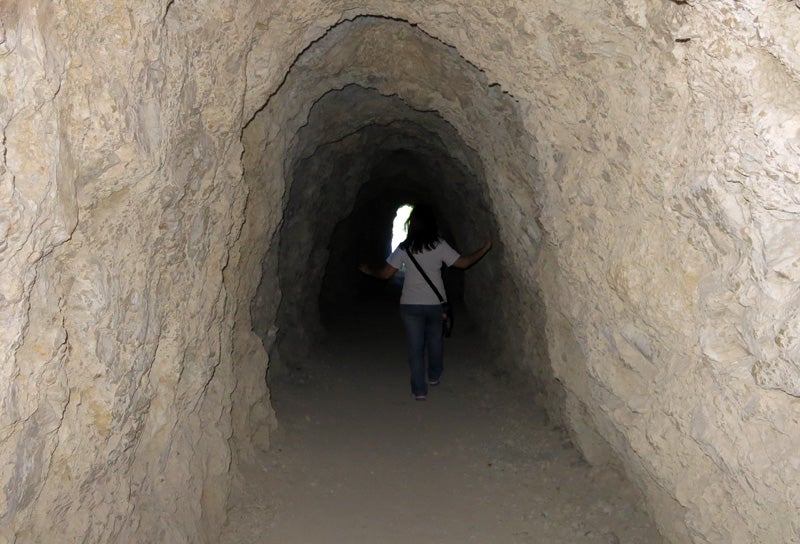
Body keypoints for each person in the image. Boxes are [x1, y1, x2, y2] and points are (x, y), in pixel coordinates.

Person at [359, 204, 492, 401]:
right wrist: (485, 248)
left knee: (415, 346)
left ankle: (419, 389)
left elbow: (386, 273)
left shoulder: (404, 247)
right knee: (435, 341)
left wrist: (370, 270)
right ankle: (434, 375)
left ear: (411, 225)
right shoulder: (439, 245)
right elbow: (463, 263)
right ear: (432, 225)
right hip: (435, 304)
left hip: (410, 305)